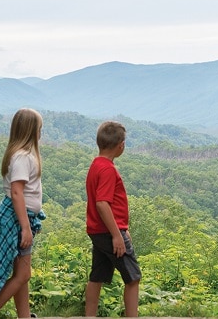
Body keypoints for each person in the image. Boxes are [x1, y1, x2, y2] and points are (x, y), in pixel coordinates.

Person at [0, 108, 46, 319]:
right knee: (24, 274)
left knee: (20, 275)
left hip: (19, 217)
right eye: (39, 129)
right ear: (31, 131)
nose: (41, 133)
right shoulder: (23, 157)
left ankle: (24, 316)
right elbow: (16, 192)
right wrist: (25, 228)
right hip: (17, 219)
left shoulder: (20, 154)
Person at [85, 121, 141, 317]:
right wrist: (118, 235)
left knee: (97, 276)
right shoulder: (108, 169)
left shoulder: (96, 165)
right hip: (109, 233)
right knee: (133, 278)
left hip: (97, 231)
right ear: (121, 145)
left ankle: (89, 316)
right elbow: (102, 203)